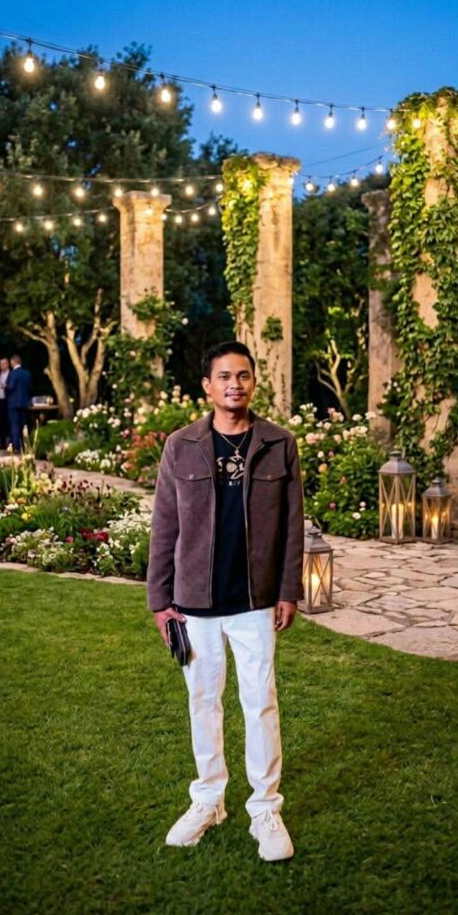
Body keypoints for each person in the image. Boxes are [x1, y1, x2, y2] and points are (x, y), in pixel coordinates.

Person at [146, 340, 304, 862]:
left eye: (243, 375)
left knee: (260, 702)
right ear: (207, 387)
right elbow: (164, 526)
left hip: (255, 601)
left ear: (253, 382)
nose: (234, 384)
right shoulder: (181, 446)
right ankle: (209, 800)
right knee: (203, 701)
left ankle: (265, 808)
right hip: (195, 603)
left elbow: (293, 525)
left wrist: (288, 590)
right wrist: (160, 601)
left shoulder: (279, 444)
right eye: (224, 376)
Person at [5, 354, 32, 451]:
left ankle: (16, 447)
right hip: (24, 403)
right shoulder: (27, 373)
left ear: (13, 362)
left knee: (15, 425)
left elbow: (11, 387)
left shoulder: (13, 373)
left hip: (14, 403)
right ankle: (25, 445)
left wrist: (5, 387)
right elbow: (30, 387)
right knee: (24, 425)